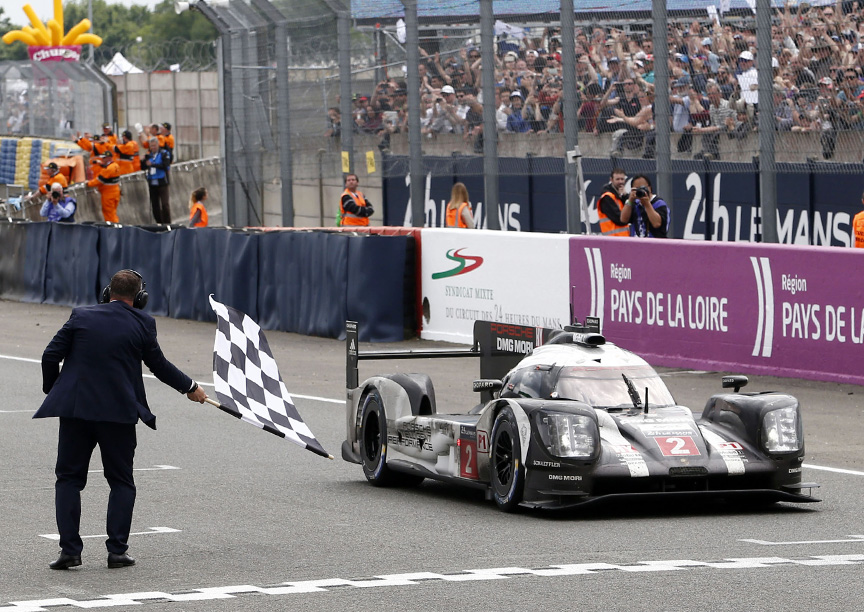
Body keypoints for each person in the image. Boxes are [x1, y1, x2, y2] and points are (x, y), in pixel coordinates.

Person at [36, 269, 208, 570]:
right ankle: (117, 552)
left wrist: (55, 389)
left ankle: (70, 552)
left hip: (76, 411)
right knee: (121, 481)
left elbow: (50, 356)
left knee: (68, 480)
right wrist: (190, 387)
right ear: (140, 298)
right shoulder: (143, 323)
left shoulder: (81, 315)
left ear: (107, 293)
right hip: (118, 414)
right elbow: (160, 366)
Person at [626, 174, 670, 238]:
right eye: (637, 189)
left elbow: (657, 224)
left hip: (655, 243)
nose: (640, 190)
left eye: (643, 188)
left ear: (650, 188)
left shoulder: (659, 203)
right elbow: (623, 219)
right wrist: (630, 200)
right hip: (636, 243)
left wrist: (647, 204)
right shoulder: (635, 203)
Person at [142, 137, 171, 224]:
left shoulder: (164, 153)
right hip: (152, 183)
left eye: (154, 145)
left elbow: (166, 165)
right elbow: (143, 167)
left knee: (165, 204)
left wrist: (153, 164)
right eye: (151, 146)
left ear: (158, 145)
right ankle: (159, 222)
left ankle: (167, 223)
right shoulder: (149, 155)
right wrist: (143, 161)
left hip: (162, 182)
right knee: (155, 206)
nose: (153, 147)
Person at [86, 151, 121, 224]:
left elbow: (99, 181)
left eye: (104, 158)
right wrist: (101, 165)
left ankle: (112, 228)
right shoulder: (115, 165)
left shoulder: (108, 169)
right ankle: (116, 226)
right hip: (116, 192)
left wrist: (88, 183)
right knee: (113, 212)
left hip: (108, 195)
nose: (102, 160)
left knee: (108, 213)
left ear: (108, 158)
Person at [596, 167, 632, 236]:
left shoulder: (619, 196)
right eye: (617, 179)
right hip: (613, 238)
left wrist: (625, 196)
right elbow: (620, 219)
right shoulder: (607, 197)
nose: (620, 182)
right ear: (611, 180)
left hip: (623, 236)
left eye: (622, 179)